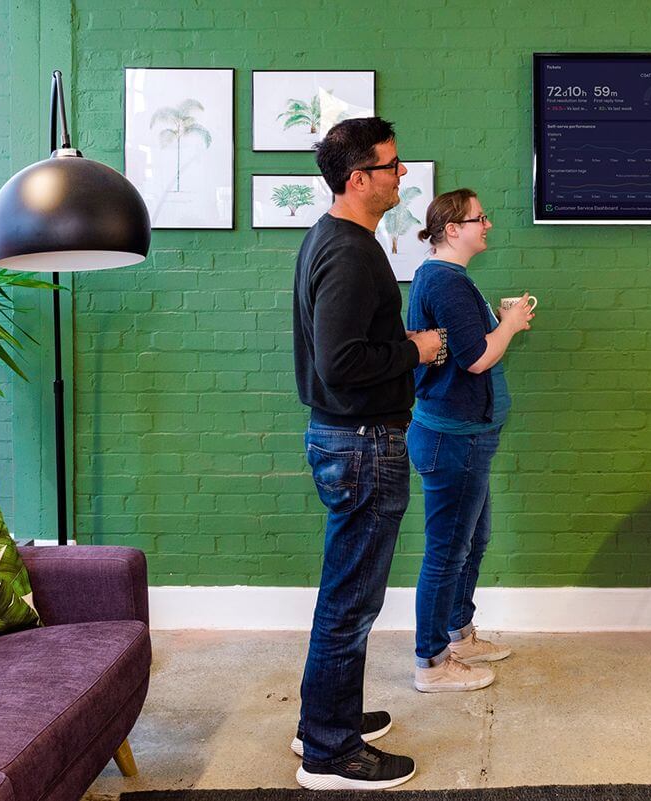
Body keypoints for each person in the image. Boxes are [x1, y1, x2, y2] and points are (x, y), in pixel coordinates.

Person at [292, 116, 442, 790]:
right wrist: (418, 349)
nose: (401, 173)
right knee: (350, 601)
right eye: (392, 164)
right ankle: (329, 750)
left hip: (349, 439)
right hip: (361, 442)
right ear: (359, 179)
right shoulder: (350, 251)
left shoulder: (337, 238)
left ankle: (327, 717)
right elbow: (341, 361)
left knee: (344, 592)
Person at [405, 189, 534, 692]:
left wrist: (500, 323)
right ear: (453, 228)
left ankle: (457, 633)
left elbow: (469, 347)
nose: (489, 225)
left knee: (470, 542)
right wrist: (511, 324)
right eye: (481, 218)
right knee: (447, 551)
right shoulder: (445, 280)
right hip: (452, 441)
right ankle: (432, 662)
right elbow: (477, 358)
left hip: (465, 437)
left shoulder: (449, 279)